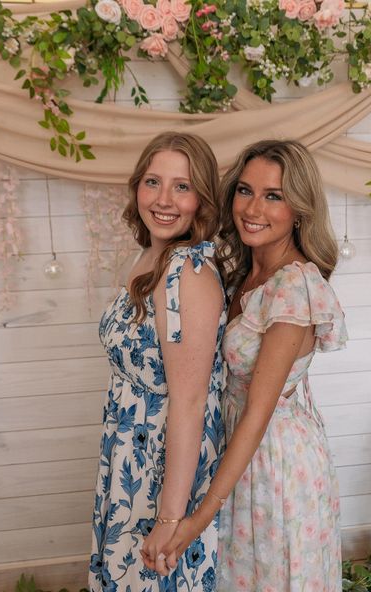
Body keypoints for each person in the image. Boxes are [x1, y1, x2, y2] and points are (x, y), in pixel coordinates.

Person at [158, 139, 348, 591]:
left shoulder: (294, 286)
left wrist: (197, 518)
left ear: (299, 209)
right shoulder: (244, 273)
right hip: (238, 454)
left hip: (275, 462)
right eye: (245, 191)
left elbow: (258, 414)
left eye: (273, 195)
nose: (253, 208)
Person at [89, 131, 226, 592]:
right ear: (136, 188)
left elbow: (190, 403)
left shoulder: (188, 272)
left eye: (182, 186)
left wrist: (171, 517)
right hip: (130, 456)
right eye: (153, 182)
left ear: (202, 200)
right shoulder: (149, 256)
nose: (164, 199)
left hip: (163, 470)